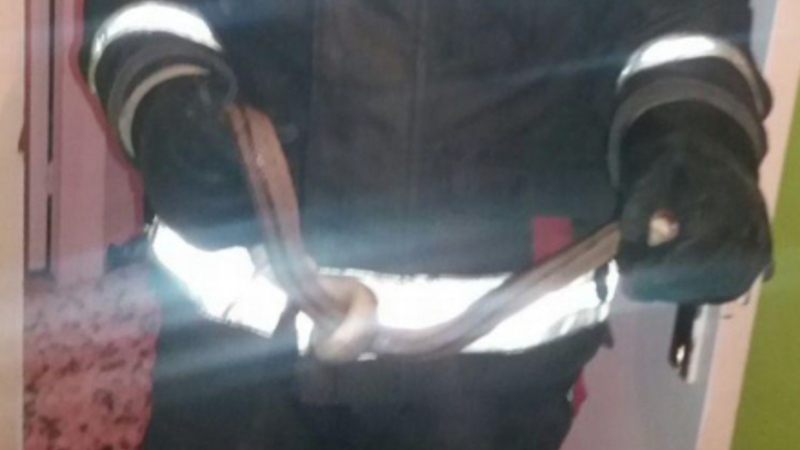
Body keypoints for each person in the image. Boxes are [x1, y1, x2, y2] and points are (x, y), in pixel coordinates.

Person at [79, 1, 773, 448]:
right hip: (238, 350)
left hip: (495, 376)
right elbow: (145, 13)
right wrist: (163, 95)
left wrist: (696, 135)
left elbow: (681, 23)